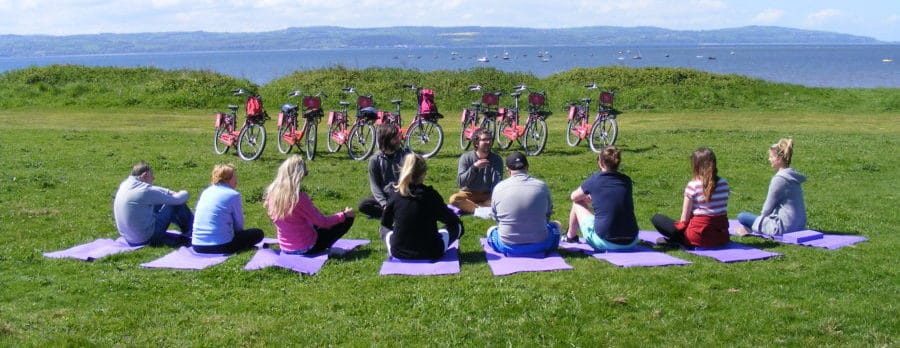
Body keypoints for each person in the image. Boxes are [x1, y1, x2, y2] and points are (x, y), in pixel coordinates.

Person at [265, 155, 356, 254]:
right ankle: (324, 249)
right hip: (306, 247)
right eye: (305, 174)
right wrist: (344, 215)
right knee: (347, 219)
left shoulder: (271, 194)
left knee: (311, 224)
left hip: (285, 248)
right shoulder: (299, 198)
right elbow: (323, 222)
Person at [381, 153, 464, 260]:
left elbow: (385, 223)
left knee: (383, 229)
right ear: (423, 173)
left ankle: (403, 241)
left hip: (399, 251)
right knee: (458, 226)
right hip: (432, 251)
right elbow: (451, 220)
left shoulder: (395, 194)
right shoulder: (431, 195)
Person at [563, 146, 639, 251]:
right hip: (631, 241)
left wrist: (586, 197)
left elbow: (573, 196)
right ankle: (570, 236)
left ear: (600, 162)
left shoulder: (595, 180)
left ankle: (570, 236)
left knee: (577, 203)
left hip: (605, 242)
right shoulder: (627, 181)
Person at [651, 147, 730, 248]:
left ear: (696, 166)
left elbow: (685, 218)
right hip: (721, 237)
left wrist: (678, 232)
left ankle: (678, 240)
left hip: (698, 237)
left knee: (657, 219)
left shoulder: (693, 185)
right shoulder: (724, 184)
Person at [487, 151, 561, 255]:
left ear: (507, 169)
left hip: (508, 245)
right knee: (556, 225)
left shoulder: (499, 188)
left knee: (491, 230)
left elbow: (496, 217)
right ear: (527, 166)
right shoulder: (542, 186)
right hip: (541, 244)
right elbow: (547, 215)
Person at [736, 139, 807, 236]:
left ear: (779, 158)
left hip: (784, 228)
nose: (769, 159)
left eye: (771, 157)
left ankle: (748, 229)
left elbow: (767, 209)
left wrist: (759, 223)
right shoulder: (792, 177)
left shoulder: (779, 179)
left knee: (742, 216)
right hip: (799, 226)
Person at [113, 161, 194, 246]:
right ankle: (191, 230)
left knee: (158, 202)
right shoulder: (144, 191)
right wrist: (184, 192)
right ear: (145, 175)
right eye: (152, 176)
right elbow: (178, 200)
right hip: (147, 238)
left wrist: (169, 192)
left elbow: (154, 189)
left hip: (129, 238)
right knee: (173, 204)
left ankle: (188, 228)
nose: (153, 178)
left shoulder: (125, 185)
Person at [191, 163, 264, 254]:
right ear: (227, 178)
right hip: (221, 246)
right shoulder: (233, 195)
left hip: (197, 246)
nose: (236, 180)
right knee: (258, 233)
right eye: (235, 177)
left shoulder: (206, 192)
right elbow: (238, 225)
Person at [448, 128, 503, 214]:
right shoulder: (466, 157)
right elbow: (461, 182)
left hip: (487, 195)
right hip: (468, 193)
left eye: (490, 139)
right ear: (476, 143)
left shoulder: (496, 159)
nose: (488, 142)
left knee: (503, 199)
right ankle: (482, 208)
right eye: (484, 140)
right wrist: (474, 168)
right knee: (454, 199)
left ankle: (474, 208)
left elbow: (497, 182)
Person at [358, 125, 409, 218]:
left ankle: (389, 214)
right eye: (395, 138)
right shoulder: (375, 159)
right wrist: (384, 204)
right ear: (386, 140)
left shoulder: (406, 156)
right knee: (363, 205)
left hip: (402, 194)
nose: (399, 140)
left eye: (398, 136)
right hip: (386, 195)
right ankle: (391, 213)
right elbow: (374, 185)